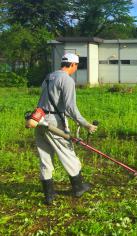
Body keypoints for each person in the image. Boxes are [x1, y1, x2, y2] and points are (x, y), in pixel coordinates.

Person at [35, 53, 97, 205]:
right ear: (73, 65)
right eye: (77, 66)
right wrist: (86, 124)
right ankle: (78, 188)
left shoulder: (49, 77)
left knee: (45, 158)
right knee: (68, 154)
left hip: (39, 120)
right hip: (54, 123)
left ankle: (49, 196)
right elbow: (70, 108)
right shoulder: (67, 80)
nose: (76, 68)